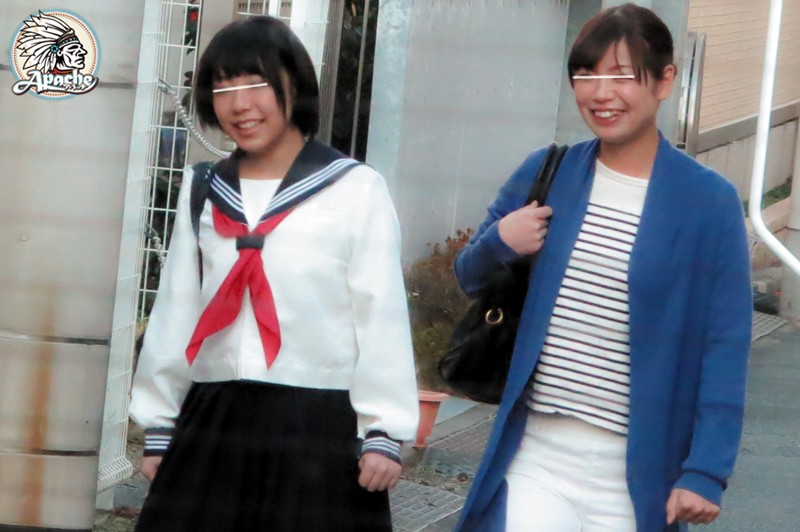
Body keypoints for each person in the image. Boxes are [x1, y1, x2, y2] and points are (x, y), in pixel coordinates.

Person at [454, 4, 752, 531]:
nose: (600, 93)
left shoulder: (708, 201)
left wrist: (706, 470)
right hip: (537, 454)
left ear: (664, 81)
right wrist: (500, 241)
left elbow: (724, 342)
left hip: (637, 472)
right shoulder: (549, 172)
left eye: (621, 75)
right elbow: (468, 275)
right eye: (586, 75)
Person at [129, 16, 418, 532]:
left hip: (320, 426)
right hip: (214, 421)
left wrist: (383, 430)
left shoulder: (355, 189)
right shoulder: (203, 189)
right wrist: (159, 422)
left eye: (256, 84)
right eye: (223, 89)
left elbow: (381, 312)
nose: (240, 104)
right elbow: (177, 306)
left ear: (295, 85)